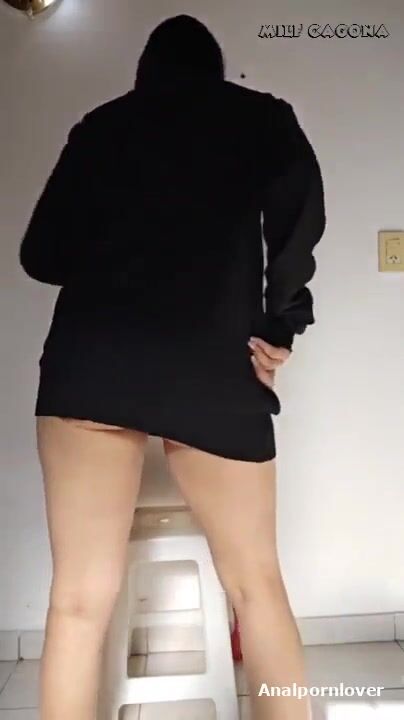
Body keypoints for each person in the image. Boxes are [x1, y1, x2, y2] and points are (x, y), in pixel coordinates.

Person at [19, 13, 326, 720]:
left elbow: (41, 256)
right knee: (256, 587)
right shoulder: (262, 118)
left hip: (92, 363)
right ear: (216, 71)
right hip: (209, 364)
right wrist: (279, 324)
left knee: (77, 603)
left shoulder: (101, 127)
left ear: (143, 76)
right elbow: (298, 224)